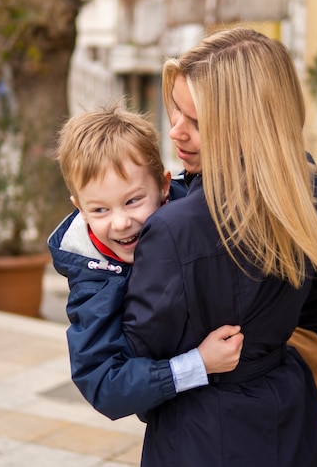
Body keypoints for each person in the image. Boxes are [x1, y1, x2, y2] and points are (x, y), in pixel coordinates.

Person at [121, 28, 317, 467]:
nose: (176, 133)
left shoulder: (169, 229)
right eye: (175, 112)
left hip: (200, 436)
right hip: (289, 415)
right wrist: (275, 343)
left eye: (197, 122)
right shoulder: (302, 182)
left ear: (245, 123)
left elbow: (141, 357)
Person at [48, 105, 244, 420]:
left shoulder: (198, 212)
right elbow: (104, 384)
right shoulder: (94, 283)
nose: (122, 222)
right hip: (183, 412)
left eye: (133, 200)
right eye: (100, 210)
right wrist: (197, 364)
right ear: (79, 208)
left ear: (164, 185)